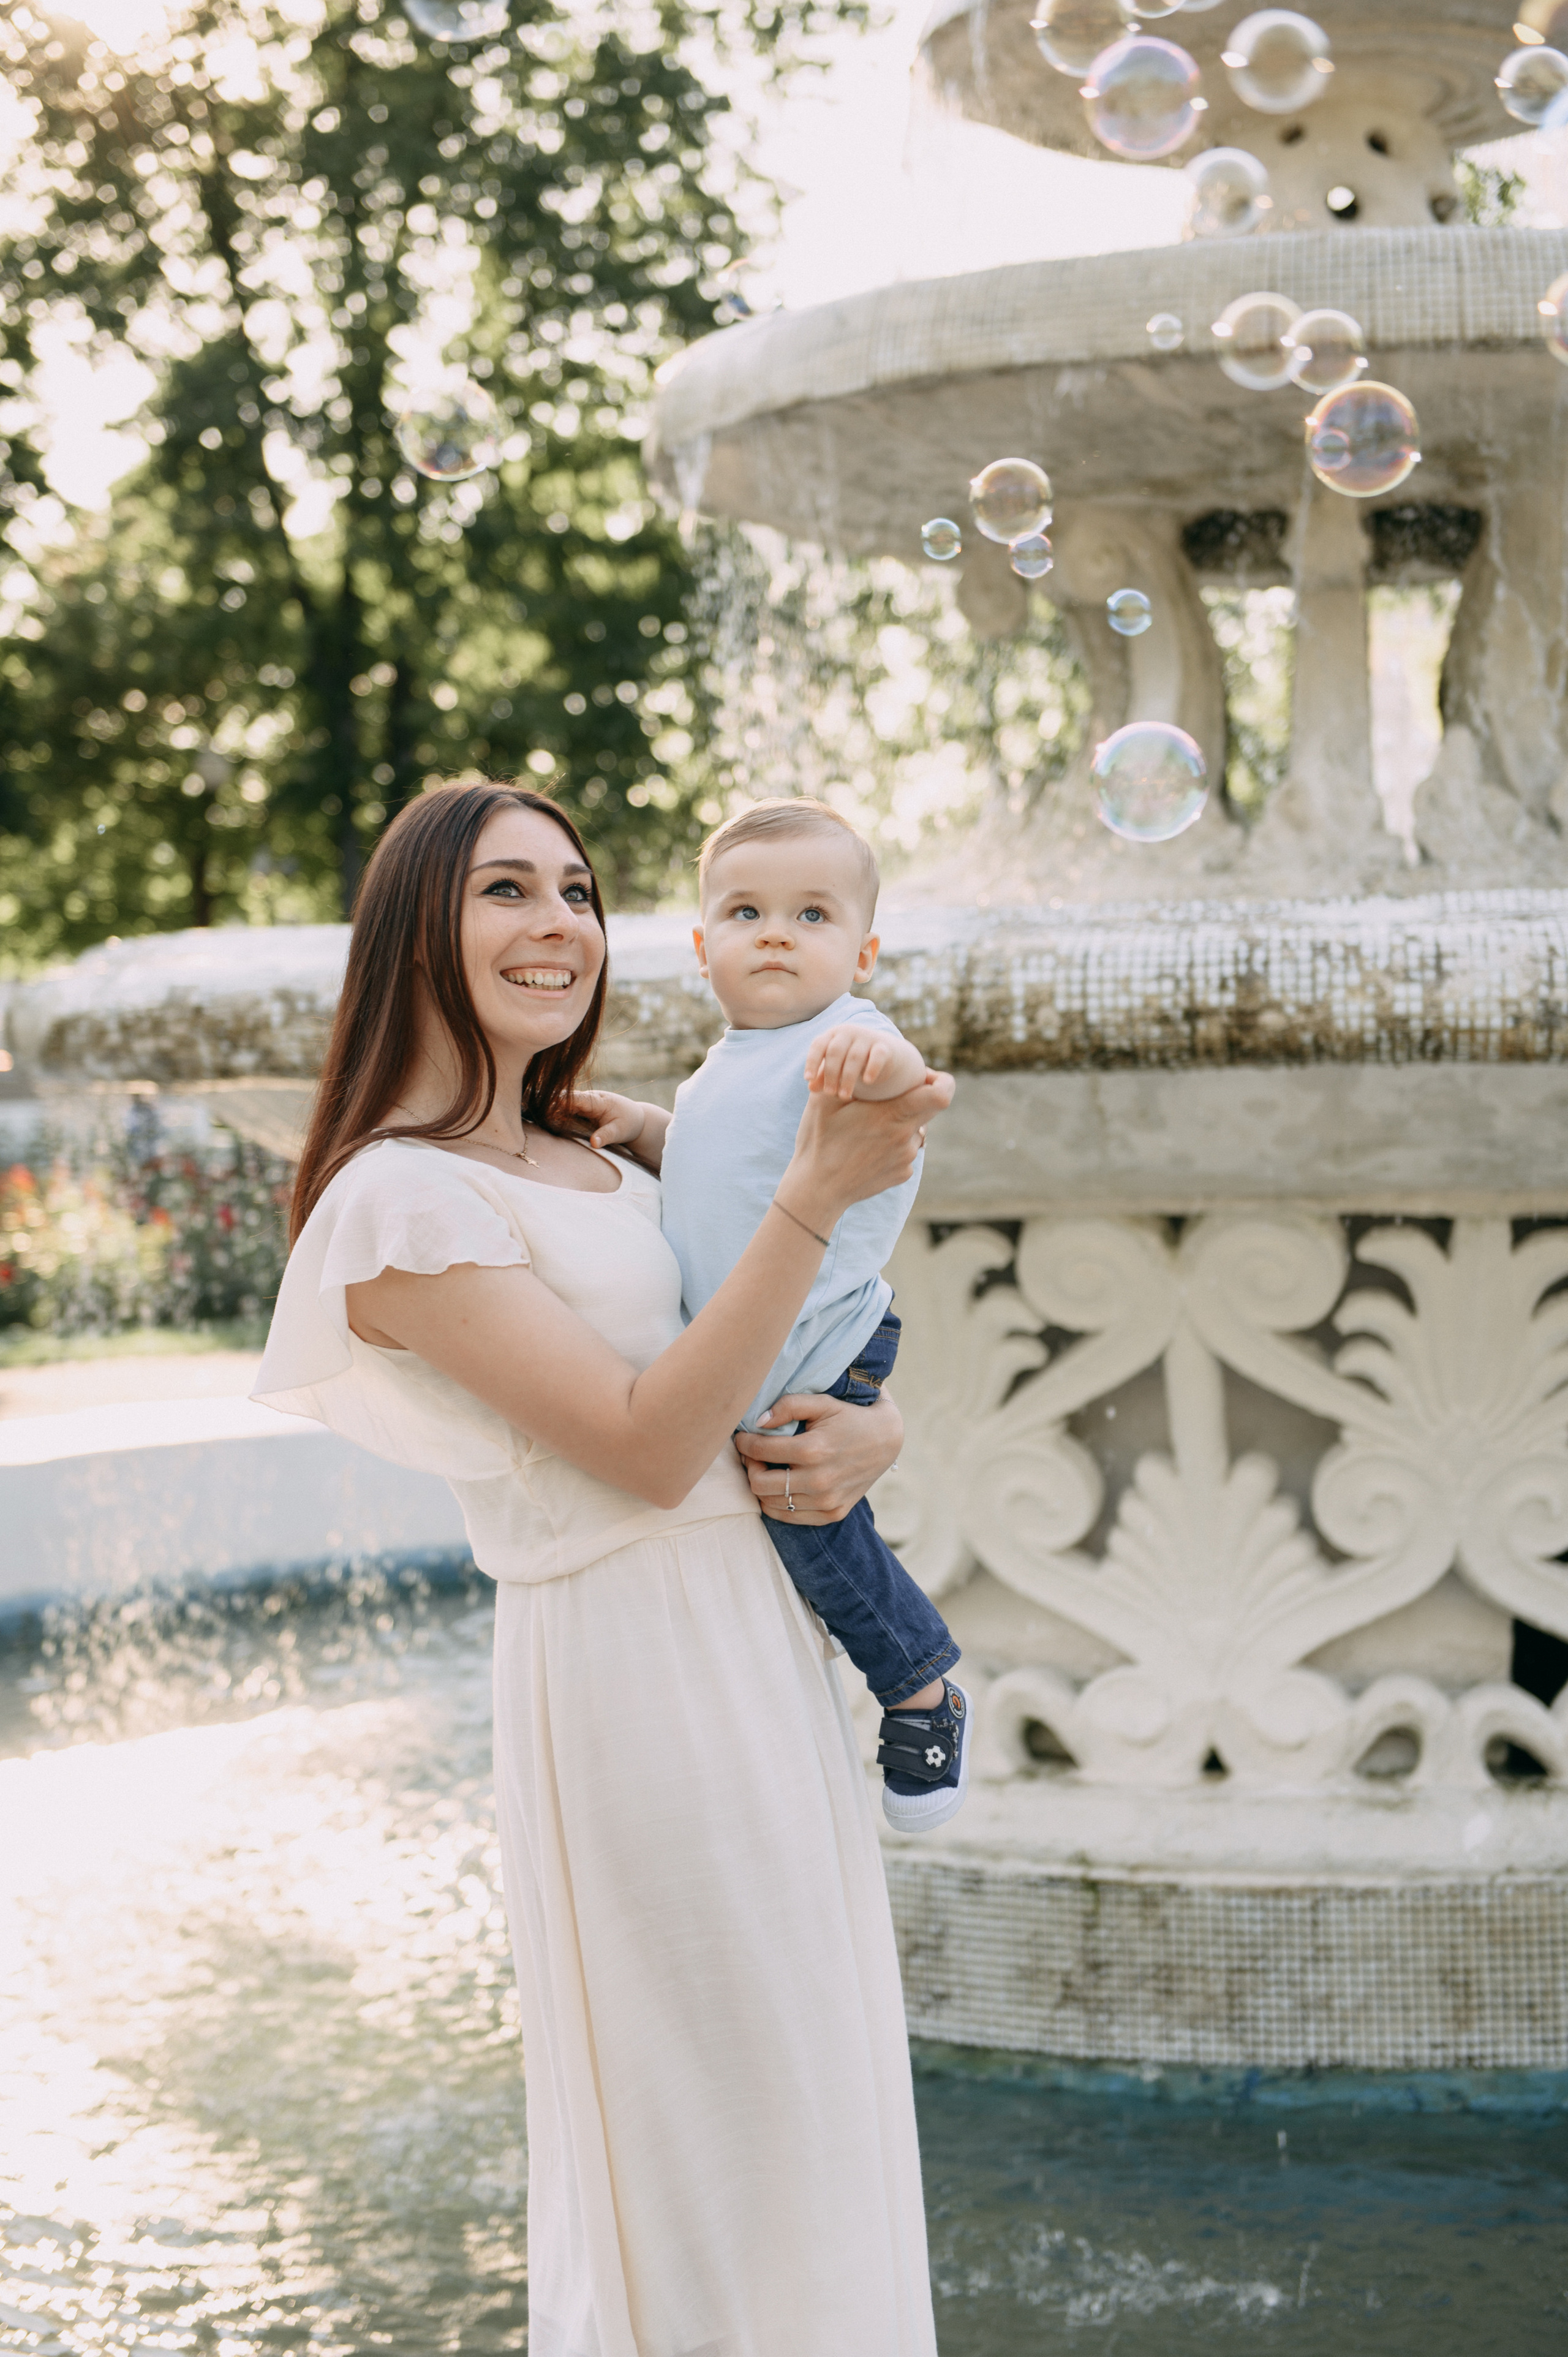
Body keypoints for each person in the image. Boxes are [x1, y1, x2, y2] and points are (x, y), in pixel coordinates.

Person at [252, 779, 952, 2357]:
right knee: (724, 2124)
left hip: (757, 1652)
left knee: (820, 2112)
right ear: (415, 926)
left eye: (573, 889)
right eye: (506, 890)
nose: (556, 922)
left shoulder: (603, 1159)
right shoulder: (400, 1201)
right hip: (635, 1676)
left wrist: (867, 1429)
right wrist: (812, 1189)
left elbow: (759, 1348)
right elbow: (641, 1444)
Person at [577, 799, 969, 1834]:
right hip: (771, 1343)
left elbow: (902, 1081)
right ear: (705, 949)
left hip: (824, 1341)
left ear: (864, 951)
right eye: (747, 913)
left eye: (811, 915)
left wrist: (872, 1073)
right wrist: (650, 1128)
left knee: (811, 1522)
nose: (778, 934)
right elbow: (728, 1174)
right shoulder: (726, 1063)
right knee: (792, 1527)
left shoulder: (846, 1035)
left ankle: (921, 1689)